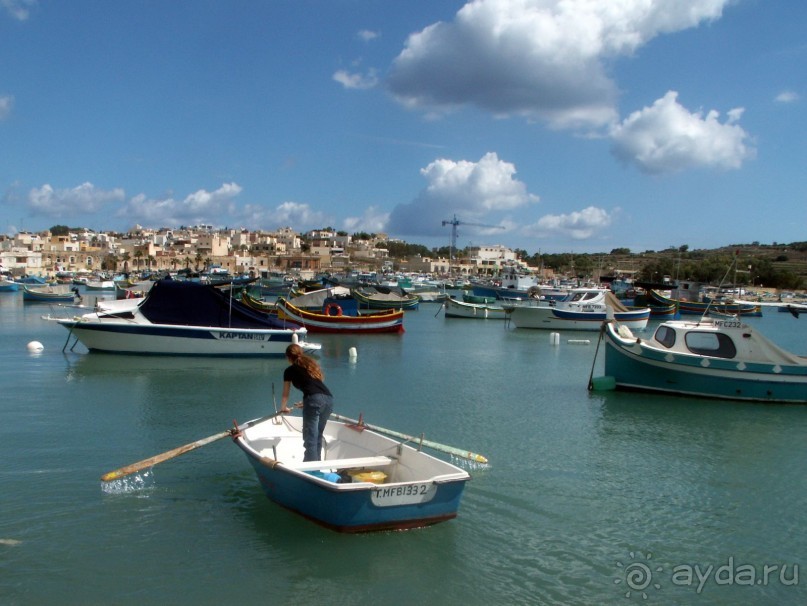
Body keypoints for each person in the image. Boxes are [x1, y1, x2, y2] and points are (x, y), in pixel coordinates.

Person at [280, 343, 334, 461]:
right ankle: (316, 466)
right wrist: (306, 403)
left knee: (310, 437)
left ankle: (311, 469)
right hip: (328, 400)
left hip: (314, 400)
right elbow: (315, 387)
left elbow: (285, 393)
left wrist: (283, 408)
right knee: (318, 436)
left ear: (288, 357)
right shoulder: (310, 366)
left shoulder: (289, 370)